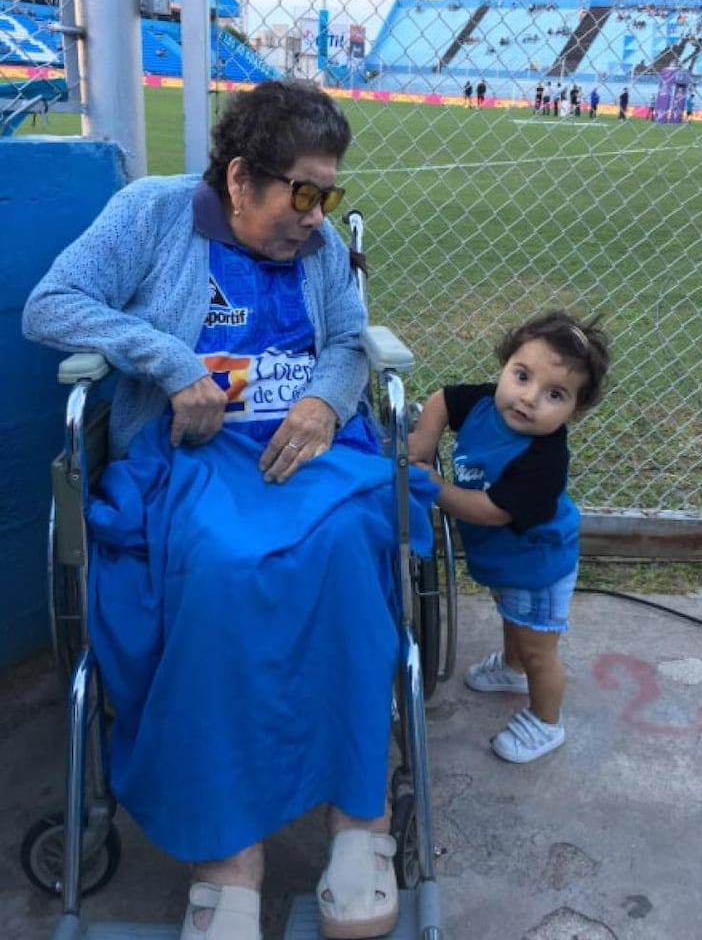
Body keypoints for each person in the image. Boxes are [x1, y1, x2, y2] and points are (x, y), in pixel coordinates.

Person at [23, 79, 436, 940]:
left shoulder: (319, 247)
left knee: (360, 542)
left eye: (329, 194)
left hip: (310, 448)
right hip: (196, 455)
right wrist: (169, 358)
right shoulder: (153, 213)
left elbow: (346, 339)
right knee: (215, 566)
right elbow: (51, 305)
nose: (317, 216)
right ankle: (227, 855)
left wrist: (326, 400)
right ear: (242, 177)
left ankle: (358, 823)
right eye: (303, 192)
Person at [409, 311, 610, 764]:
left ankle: (546, 721)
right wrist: (423, 442)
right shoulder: (484, 404)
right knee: (513, 620)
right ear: (505, 365)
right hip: (505, 562)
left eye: (554, 394)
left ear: (574, 411)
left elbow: (493, 511)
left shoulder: (543, 458)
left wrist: (437, 489)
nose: (528, 398)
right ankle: (512, 668)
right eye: (522, 376)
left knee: (540, 649)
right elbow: (442, 400)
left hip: (537, 565)